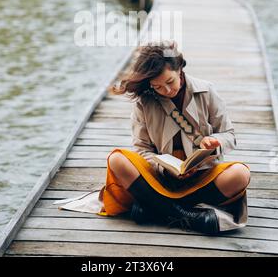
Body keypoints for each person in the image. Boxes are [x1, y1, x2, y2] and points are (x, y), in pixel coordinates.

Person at [102, 40, 250, 235]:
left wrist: (216, 142)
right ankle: (187, 215)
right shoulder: (143, 103)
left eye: (170, 82)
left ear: (179, 69)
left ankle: (156, 208)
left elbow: (229, 135)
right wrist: (164, 168)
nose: (167, 90)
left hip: (202, 177)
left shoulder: (206, 91)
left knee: (240, 173)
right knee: (117, 159)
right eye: (158, 87)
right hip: (160, 178)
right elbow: (141, 149)